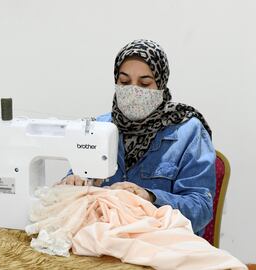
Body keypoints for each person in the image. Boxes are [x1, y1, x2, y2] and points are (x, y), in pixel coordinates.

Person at [61, 39, 216, 236]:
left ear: (160, 84)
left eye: (144, 83)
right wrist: (71, 184)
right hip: (104, 241)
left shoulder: (188, 131)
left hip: (162, 244)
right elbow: (77, 180)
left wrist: (150, 197)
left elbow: (201, 208)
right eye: (124, 82)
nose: (133, 91)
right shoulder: (99, 128)